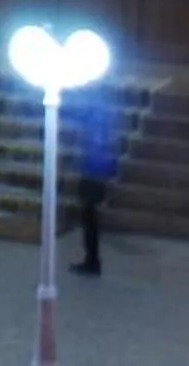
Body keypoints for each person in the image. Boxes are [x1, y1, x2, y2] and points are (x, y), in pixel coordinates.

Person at [71, 89, 123, 276]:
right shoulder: (102, 123)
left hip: (94, 176)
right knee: (89, 220)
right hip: (93, 174)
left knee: (90, 219)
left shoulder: (98, 124)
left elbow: (97, 149)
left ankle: (92, 261)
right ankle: (91, 259)